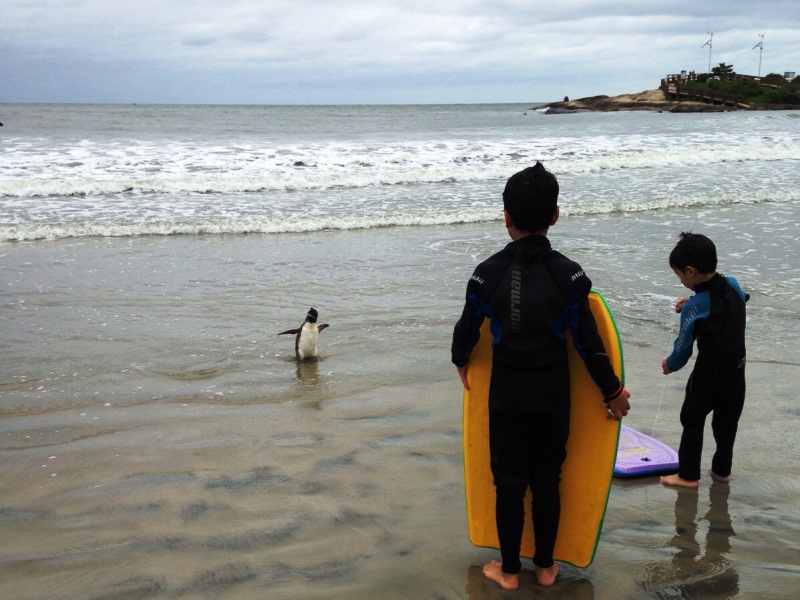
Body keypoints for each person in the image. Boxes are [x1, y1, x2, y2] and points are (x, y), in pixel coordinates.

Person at [451, 162, 631, 590]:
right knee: (548, 479)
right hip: (553, 392)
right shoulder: (570, 276)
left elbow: (464, 332)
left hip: (507, 394)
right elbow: (589, 342)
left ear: (506, 216)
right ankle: (547, 567)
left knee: (509, 483)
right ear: (554, 215)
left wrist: (461, 360)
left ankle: (509, 571)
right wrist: (613, 392)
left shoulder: (485, 274)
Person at [660, 232, 748, 488]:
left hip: (708, 375)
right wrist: (694, 300)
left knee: (692, 418)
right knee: (726, 423)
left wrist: (670, 364)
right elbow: (734, 301)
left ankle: (687, 476)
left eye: (679, 275)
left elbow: (683, 347)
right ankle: (721, 471)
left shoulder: (694, 307)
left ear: (690, 271)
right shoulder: (733, 283)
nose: (680, 280)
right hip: (736, 372)